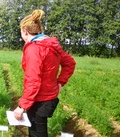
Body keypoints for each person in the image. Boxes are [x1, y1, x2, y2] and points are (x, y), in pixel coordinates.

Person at [13, 9, 76, 137]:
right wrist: (59, 83)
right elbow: (70, 63)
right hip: (49, 98)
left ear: (25, 31)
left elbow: (33, 80)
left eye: (21, 32)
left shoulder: (34, 49)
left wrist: (22, 106)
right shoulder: (50, 45)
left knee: (37, 133)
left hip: (39, 101)